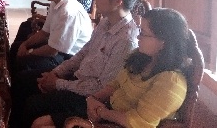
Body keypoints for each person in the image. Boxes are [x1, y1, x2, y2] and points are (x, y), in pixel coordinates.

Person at [14, 0, 142, 128]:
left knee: (33, 104)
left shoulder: (126, 40)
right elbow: (83, 53)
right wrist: (56, 73)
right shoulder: (106, 22)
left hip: (90, 99)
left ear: (118, 1)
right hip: (77, 79)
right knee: (23, 80)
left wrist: (58, 84)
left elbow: (102, 87)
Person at [32, 8, 189, 128]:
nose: (138, 36)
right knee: (39, 122)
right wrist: (93, 99)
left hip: (118, 123)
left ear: (163, 42)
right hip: (106, 110)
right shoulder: (141, 58)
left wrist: (101, 112)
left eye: (144, 33)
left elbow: (138, 122)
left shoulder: (171, 82)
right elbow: (114, 84)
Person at [9, 0, 93, 127]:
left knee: (22, 74)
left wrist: (29, 52)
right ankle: (11, 98)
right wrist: (25, 45)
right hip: (58, 51)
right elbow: (44, 32)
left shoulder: (69, 11)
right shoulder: (57, 3)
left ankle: (16, 118)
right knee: (16, 49)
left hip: (69, 60)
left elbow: (53, 50)